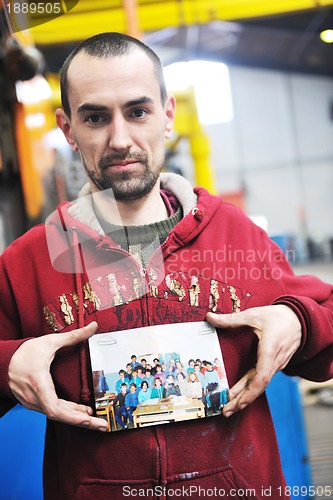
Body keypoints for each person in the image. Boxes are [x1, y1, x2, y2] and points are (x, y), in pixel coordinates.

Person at [0, 32, 332, 500]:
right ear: (67, 129)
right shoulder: (29, 262)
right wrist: (7, 365)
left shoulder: (233, 235)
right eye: (95, 117)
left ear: (168, 115)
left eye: (138, 112)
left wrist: (298, 321)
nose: (120, 139)